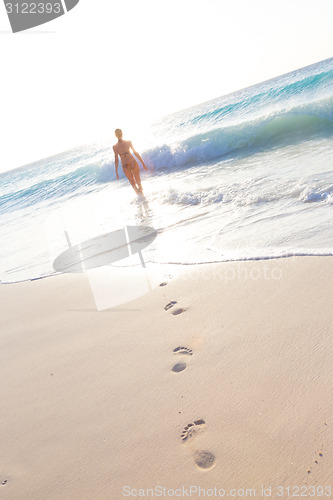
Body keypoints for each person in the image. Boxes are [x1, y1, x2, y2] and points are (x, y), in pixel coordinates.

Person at [113, 129, 147, 195]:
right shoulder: (125, 143)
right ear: (122, 134)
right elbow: (135, 152)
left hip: (126, 165)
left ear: (115, 135)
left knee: (134, 183)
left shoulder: (116, 146)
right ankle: (142, 197)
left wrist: (116, 171)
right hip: (131, 163)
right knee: (137, 182)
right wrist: (142, 162)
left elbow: (116, 160)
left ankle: (141, 197)